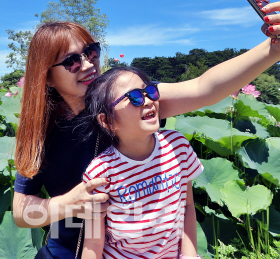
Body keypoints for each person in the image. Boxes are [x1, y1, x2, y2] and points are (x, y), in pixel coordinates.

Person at [13, 2, 280, 259]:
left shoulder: (129, 102)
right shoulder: (41, 132)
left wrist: (273, 49)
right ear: (47, 77)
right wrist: (68, 203)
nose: (88, 65)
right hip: (65, 251)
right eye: (72, 61)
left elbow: (203, 88)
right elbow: (21, 212)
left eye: (91, 51)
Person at [80, 67, 203, 259]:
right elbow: (94, 240)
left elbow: (187, 207)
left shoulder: (178, 146)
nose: (147, 101)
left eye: (150, 91)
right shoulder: (100, 172)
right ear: (107, 121)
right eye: (134, 97)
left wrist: (189, 256)